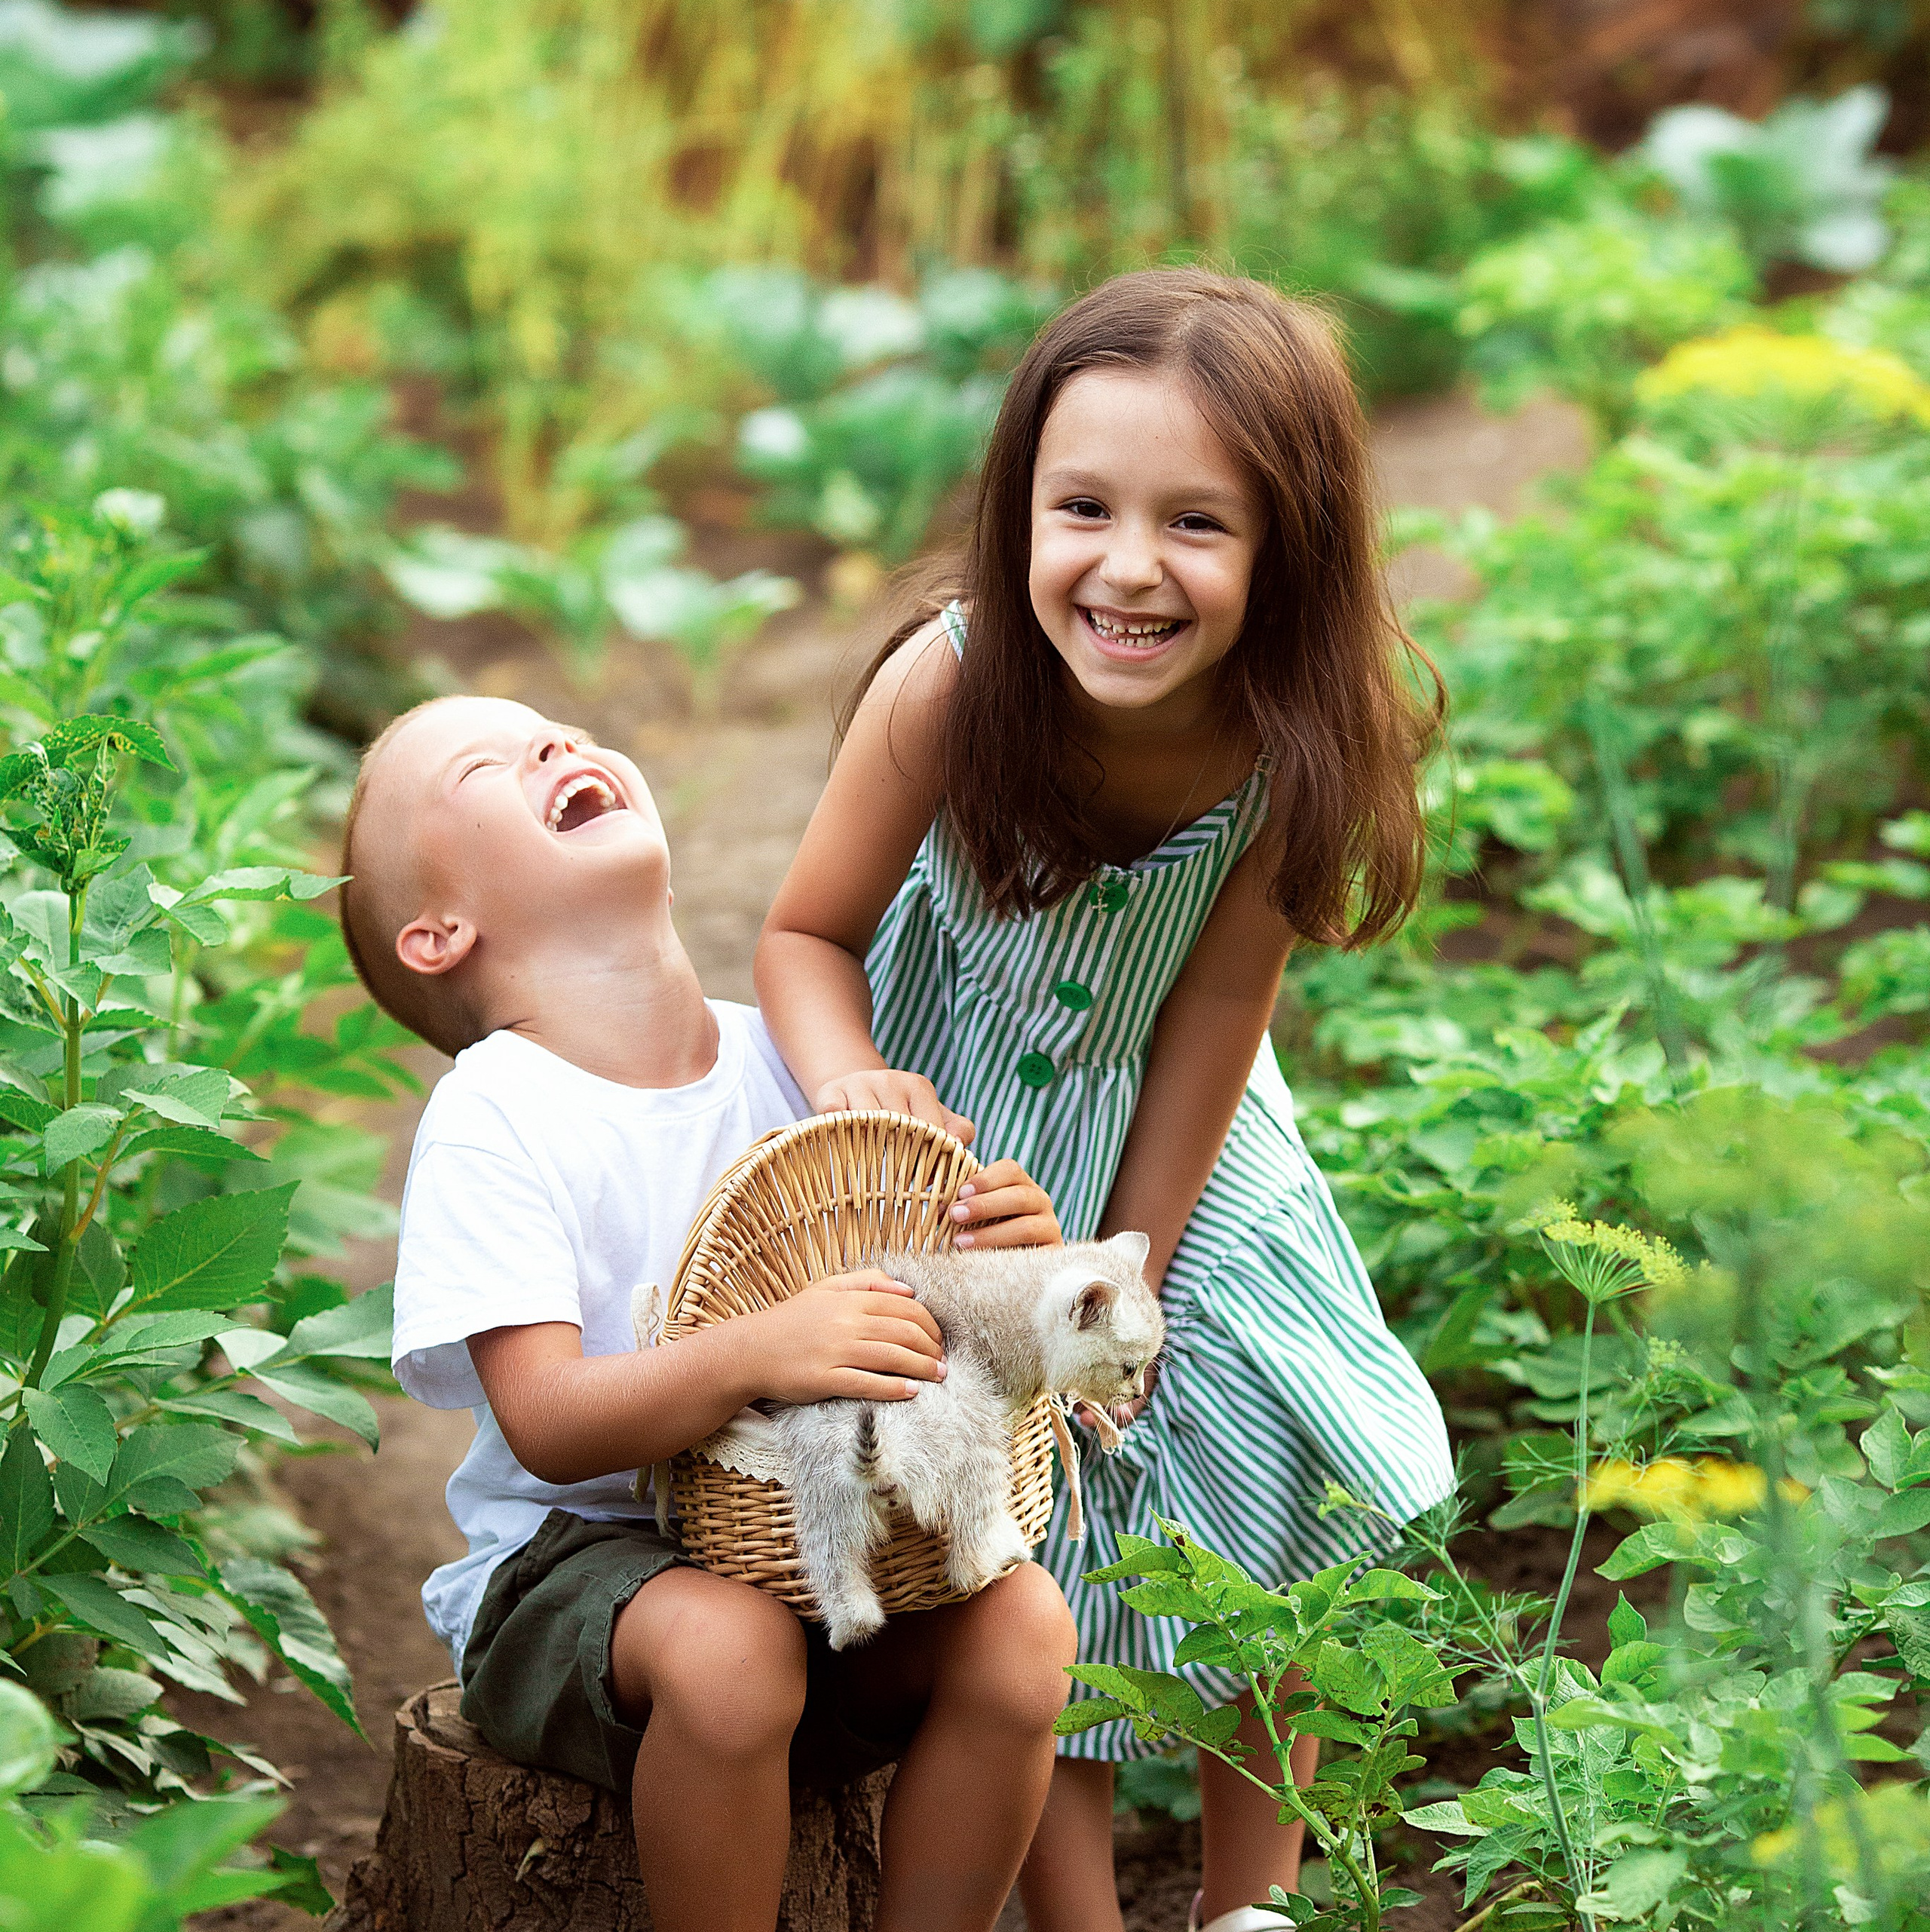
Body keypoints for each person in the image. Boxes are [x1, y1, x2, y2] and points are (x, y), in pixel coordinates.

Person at [755, 268, 1456, 1932]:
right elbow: (803, 935)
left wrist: (1129, 1271)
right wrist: (853, 1086)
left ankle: (1249, 1900)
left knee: (1267, 1440)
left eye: (1194, 524)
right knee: (1027, 1515)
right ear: (1019, 512)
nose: (1128, 567)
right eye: (1083, 509)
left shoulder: (1291, 737)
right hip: (954, 1154)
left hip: (1177, 1129)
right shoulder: (949, 685)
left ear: (1290, 549)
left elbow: (1216, 1007)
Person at [339, 693, 1078, 1932]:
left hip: (808, 1554)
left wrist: (1007, 1252)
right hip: (577, 1569)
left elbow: (916, 1305)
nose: (560, 745)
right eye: (487, 764)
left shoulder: (791, 1062)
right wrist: (758, 1351)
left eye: (563, 730)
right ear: (440, 932)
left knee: (1023, 1626)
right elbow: (547, 1421)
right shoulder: (495, 1114)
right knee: (733, 1651)